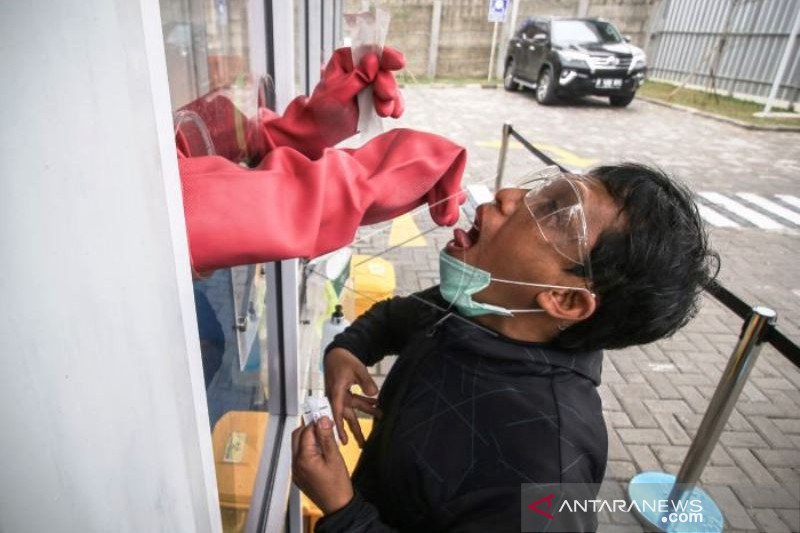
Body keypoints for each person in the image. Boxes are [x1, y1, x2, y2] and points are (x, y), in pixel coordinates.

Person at [292, 163, 718, 531]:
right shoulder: (477, 307)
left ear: (567, 300)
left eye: (555, 212)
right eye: (542, 192)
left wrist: (342, 509)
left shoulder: (549, 469)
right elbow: (395, 318)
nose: (509, 195)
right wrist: (346, 351)